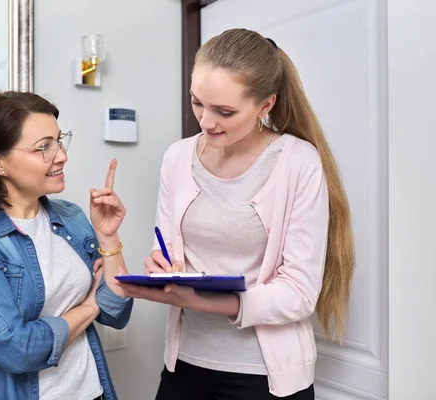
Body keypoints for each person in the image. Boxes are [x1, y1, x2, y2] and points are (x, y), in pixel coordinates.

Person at [119, 28, 355, 399]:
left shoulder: (297, 162)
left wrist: (205, 301)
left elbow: (299, 293)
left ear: (266, 105)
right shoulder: (177, 158)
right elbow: (166, 251)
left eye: (225, 111)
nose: (206, 121)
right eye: (197, 103)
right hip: (185, 366)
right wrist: (161, 267)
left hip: (263, 375)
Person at [0, 91, 133, 400]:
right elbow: (18, 349)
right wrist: (91, 305)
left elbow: (117, 312)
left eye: (59, 140)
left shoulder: (72, 217)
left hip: (91, 392)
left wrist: (109, 237)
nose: (62, 155)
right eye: (44, 147)